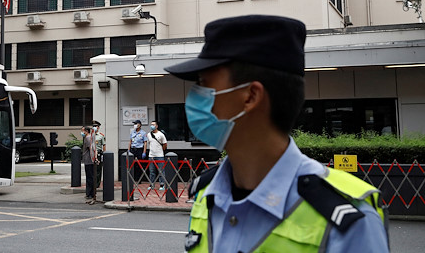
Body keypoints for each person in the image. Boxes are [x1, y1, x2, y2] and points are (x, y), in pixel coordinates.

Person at [165, 15, 389, 252]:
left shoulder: (348, 220)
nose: (194, 97)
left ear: (250, 96)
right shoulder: (206, 195)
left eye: (204, 84)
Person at [146, 121, 167, 190]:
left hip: (160, 155)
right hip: (151, 155)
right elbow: (148, 143)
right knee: (152, 171)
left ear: (157, 126)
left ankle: (162, 184)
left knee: (161, 171)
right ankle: (152, 184)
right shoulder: (149, 134)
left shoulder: (161, 134)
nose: (152, 126)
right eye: (151, 124)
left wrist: (161, 151)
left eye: (153, 125)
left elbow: (165, 144)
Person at [80, 125, 96, 204]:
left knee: (90, 177)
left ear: (86, 131)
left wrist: (93, 158)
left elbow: (90, 149)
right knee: (90, 176)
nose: (82, 132)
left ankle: (90, 193)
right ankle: (90, 193)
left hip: (89, 160)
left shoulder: (87, 138)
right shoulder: (89, 137)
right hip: (89, 160)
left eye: (83, 131)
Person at [92, 120, 106, 189]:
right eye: (93, 126)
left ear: (98, 127)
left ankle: (97, 184)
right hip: (92, 154)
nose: (94, 127)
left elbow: (104, 145)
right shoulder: (91, 135)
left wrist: (104, 154)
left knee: (98, 169)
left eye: (96, 126)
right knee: (92, 169)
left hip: (98, 154)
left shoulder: (101, 136)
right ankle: (92, 183)